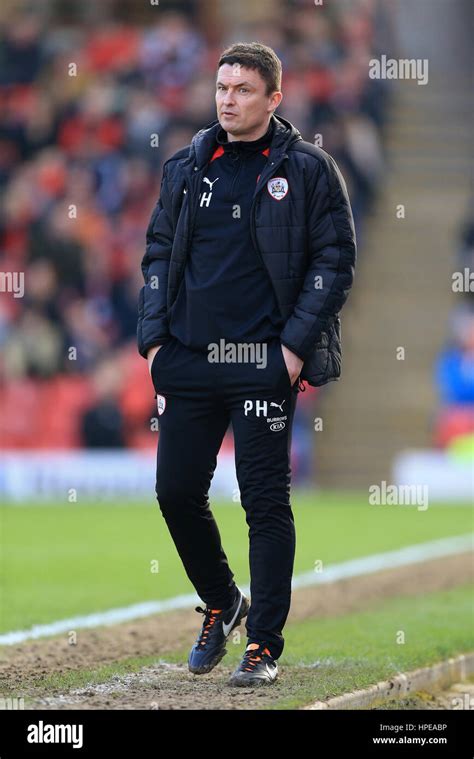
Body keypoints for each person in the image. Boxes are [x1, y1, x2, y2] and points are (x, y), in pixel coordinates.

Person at [137, 42, 356, 686]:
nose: (228, 100)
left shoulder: (310, 170)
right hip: (187, 358)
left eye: (242, 90)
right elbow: (156, 254)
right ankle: (222, 600)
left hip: (263, 360)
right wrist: (154, 343)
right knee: (175, 492)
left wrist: (291, 348)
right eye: (222, 88)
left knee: (264, 502)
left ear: (274, 98)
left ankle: (263, 643)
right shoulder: (186, 166)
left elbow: (335, 260)